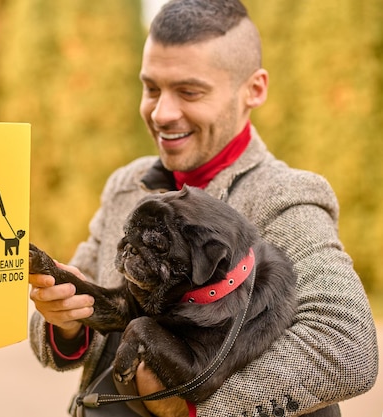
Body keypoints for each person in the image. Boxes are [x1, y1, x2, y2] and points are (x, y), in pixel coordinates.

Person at [28, 1, 379, 416]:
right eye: (152, 88)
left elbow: (346, 349)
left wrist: (194, 409)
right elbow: (69, 336)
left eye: (189, 91)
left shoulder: (286, 197)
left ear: (255, 89)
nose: (162, 112)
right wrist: (65, 323)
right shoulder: (127, 184)